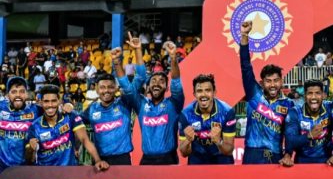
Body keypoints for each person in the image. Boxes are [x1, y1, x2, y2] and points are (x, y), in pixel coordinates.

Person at [117, 36, 184, 165]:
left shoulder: (173, 104)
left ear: (167, 87)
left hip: (168, 159)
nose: (157, 84)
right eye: (153, 81)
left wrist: (173, 57)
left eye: (161, 81)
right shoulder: (140, 104)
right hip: (146, 159)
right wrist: (118, 60)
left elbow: (176, 83)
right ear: (148, 87)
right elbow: (126, 86)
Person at [239, 21, 295, 165]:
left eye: (276, 80)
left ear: (281, 82)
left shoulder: (289, 104)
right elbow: (245, 66)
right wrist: (245, 35)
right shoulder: (253, 93)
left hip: (276, 156)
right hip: (252, 153)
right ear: (262, 83)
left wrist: (288, 154)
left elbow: (290, 133)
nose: (272, 85)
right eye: (268, 81)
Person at [77, 47, 137, 166]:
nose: (106, 91)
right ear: (97, 90)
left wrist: (117, 62)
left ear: (115, 88)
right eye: (102, 87)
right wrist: (76, 145)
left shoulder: (124, 102)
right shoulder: (92, 109)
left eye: (110, 87)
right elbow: (76, 122)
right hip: (100, 160)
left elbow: (127, 86)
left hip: (122, 159)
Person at [25, 85, 107, 170]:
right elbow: (29, 160)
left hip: (69, 172)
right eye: (46, 101)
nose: (50, 105)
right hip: (46, 175)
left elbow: (85, 139)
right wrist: (31, 150)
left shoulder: (70, 116)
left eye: (53, 101)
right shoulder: (34, 127)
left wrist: (97, 160)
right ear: (40, 103)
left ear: (59, 101)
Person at [178, 74, 236, 164]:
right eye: (199, 91)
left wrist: (218, 141)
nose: (203, 94)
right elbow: (184, 153)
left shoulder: (227, 112)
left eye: (208, 90)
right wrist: (187, 141)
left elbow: (228, 151)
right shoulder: (186, 114)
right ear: (194, 94)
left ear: (214, 93)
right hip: (197, 157)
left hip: (221, 156)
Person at [0, 78, 53, 173]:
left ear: (26, 94)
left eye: (21, 91)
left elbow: (55, 110)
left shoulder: (36, 110)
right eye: (14, 92)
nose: (18, 95)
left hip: (26, 166)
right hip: (2, 166)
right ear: (8, 96)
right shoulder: (1, 107)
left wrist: (69, 105)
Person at [285, 80, 333, 165]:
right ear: (304, 96)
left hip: (327, 161)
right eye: (310, 93)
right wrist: (309, 135)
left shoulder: (331, 107)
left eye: (317, 93)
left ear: (323, 95)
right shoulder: (295, 112)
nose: (314, 97)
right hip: (302, 161)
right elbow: (290, 141)